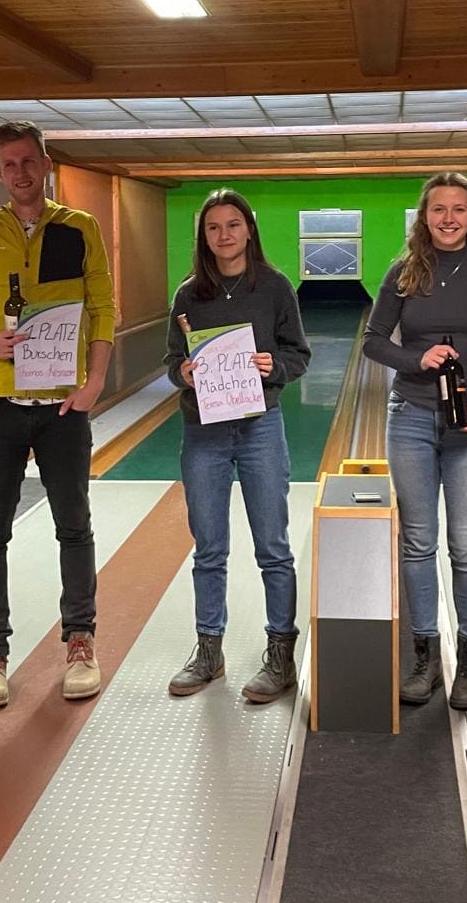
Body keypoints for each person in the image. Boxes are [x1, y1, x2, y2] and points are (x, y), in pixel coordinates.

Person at [0, 120, 115, 708]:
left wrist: (95, 381)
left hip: (63, 404)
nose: (20, 172)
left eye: (29, 161)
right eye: (9, 164)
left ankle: (80, 641)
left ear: (46, 164)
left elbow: (102, 307)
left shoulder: (79, 227)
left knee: (74, 524)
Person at [362, 172, 467, 710]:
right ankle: (425, 656)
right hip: (410, 416)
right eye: (438, 209)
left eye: (458, 209)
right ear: (424, 216)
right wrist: (417, 358)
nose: (448, 218)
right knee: (417, 542)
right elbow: (373, 341)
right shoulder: (404, 272)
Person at [165, 190, 311, 702]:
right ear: (203, 237)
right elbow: (172, 360)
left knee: (273, 547)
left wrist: (276, 366)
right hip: (203, 432)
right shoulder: (189, 295)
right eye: (213, 227)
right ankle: (209, 650)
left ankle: (280, 654)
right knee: (209, 548)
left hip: (259, 428)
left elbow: (299, 354)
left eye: (232, 225)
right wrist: (183, 372)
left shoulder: (274, 287)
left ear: (249, 229)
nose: (223, 235)